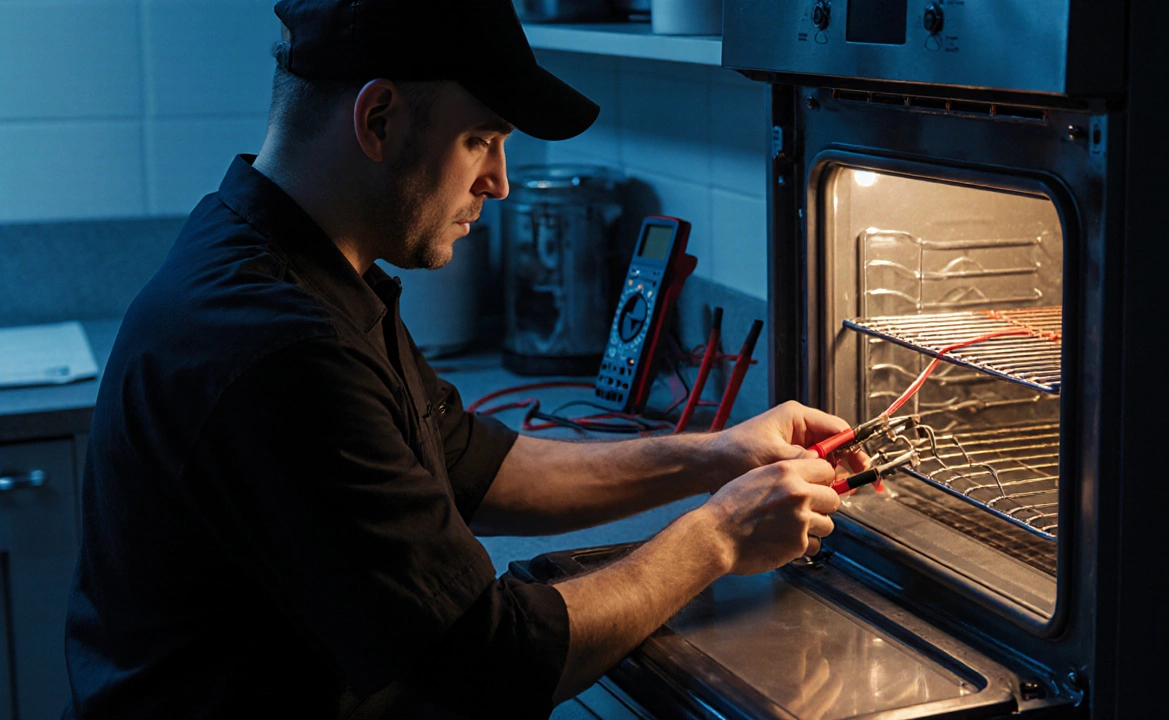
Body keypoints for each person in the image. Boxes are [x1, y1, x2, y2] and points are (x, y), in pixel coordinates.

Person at [64, 1, 858, 717]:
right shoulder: (278, 343)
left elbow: (472, 464)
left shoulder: (297, 263)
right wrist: (717, 537)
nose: (501, 182)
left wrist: (716, 455)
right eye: (480, 138)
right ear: (377, 120)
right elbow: (492, 660)